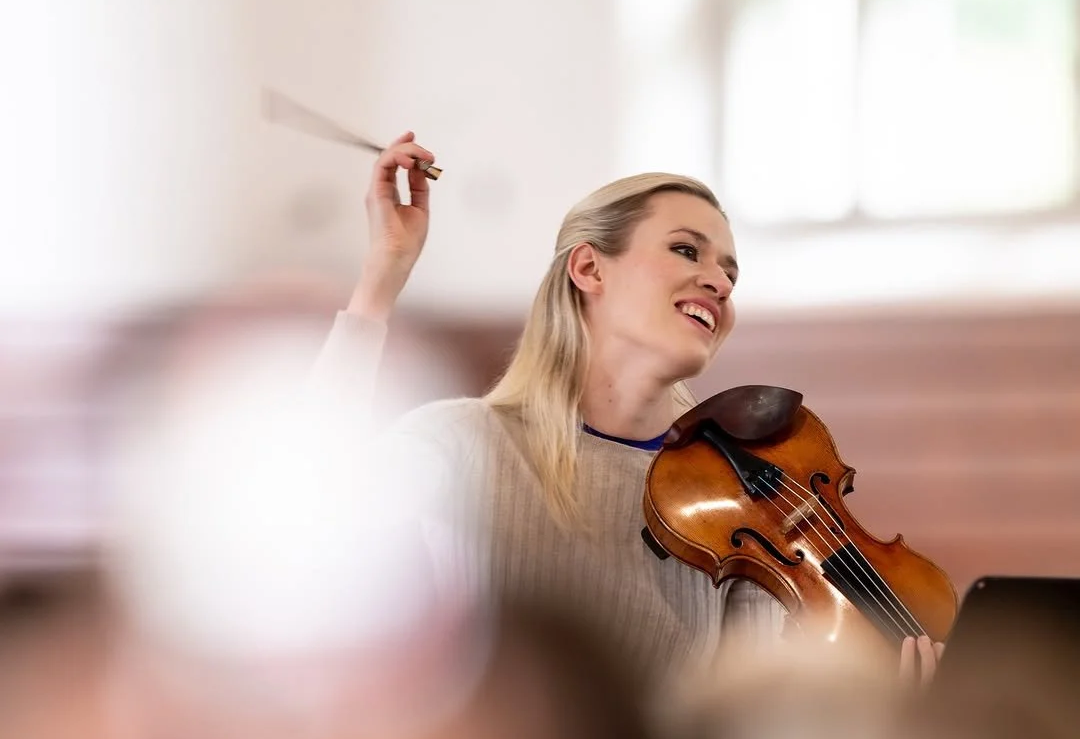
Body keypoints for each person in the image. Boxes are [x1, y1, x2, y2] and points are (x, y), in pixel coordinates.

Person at [315, 132, 943, 695]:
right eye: (686, 251)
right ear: (588, 268)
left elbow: (740, 730)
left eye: (729, 272)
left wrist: (871, 698)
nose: (720, 283)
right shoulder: (463, 442)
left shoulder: (734, 505)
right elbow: (304, 501)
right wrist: (382, 276)